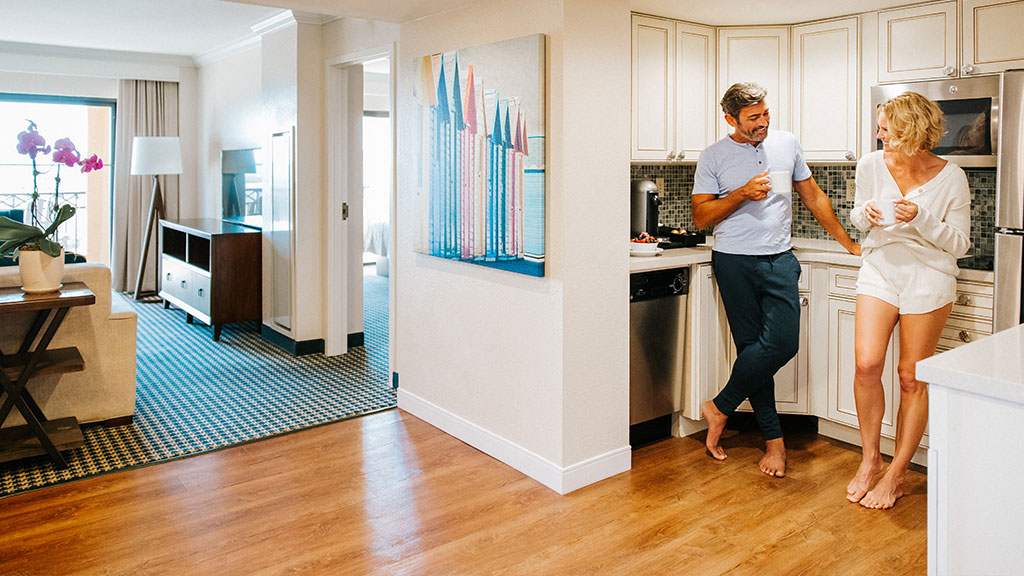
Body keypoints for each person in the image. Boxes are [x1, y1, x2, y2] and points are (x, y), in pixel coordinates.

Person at [693, 82, 860, 477]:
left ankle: (719, 407)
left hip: (779, 258)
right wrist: (741, 194)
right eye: (753, 118)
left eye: (766, 114)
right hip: (734, 261)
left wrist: (848, 243)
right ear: (731, 119)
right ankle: (775, 443)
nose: (763, 123)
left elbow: (813, 195)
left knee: (781, 344)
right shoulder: (713, 156)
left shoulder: (787, 144)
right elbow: (702, 217)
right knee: (753, 350)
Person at [846, 92, 970, 509]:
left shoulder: (951, 177)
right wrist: (867, 216)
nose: (879, 135)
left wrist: (920, 217)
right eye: (879, 128)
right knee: (866, 364)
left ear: (913, 133)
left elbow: (959, 245)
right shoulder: (870, 164)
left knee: (910, 377)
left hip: (929, 276)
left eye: (887, 130)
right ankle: (870, 460)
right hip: (881, 267)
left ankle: (897, 473)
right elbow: (857, 214)